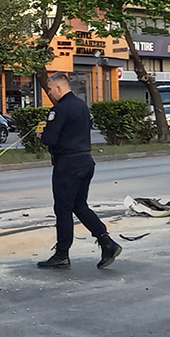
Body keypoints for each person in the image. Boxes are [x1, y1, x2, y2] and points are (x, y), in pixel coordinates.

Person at [36, 72, 122, 269]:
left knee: (63, 209)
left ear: (58, 87)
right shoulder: (81, 105)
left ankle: (62, 254)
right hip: (85, 161)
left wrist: (42, 133)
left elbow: (51, 139)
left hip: (67, 165)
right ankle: (106, 242)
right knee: (79, 206)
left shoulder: (59, 109)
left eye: (50, 89)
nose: (49, 93)